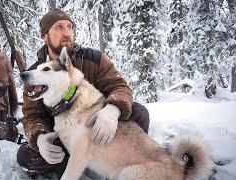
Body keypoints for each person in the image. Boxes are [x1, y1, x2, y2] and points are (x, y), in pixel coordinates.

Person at [16, 9, 150, 177]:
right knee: (27, 156)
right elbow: (32, 116)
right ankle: (76, 168)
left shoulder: (93, 59)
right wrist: (40, 138)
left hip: (98, 132)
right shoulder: (35, 75)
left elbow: (120, 87)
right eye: (58, 27)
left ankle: (129, 165)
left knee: (139, 113)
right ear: (45, 36)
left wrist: (112, 111)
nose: (66, 32)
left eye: (69, 26)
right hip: (64, 139)